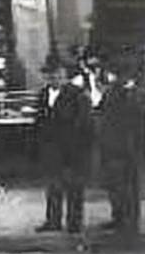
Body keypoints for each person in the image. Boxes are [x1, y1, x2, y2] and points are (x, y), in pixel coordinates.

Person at [34, 52, 92, 234]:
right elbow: (40, 121)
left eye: (58, 74)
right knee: (53, 185)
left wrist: (80, 146)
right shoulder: (43, 94)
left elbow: (84, 122)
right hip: (51, 148)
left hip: (72, 148)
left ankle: (74, 222)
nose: (54, 78)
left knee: (74, 186)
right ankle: (53, 220)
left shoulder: (77, 94)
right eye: (50, 74)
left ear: (65, 75)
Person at [98, 48, 145, 236]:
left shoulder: (132, 95)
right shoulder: (114, 93)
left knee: (127, 185)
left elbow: (137, 122)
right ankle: (120, 217)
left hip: (126, 147)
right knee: (115, 184)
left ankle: (129, 222)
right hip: (113, 145)